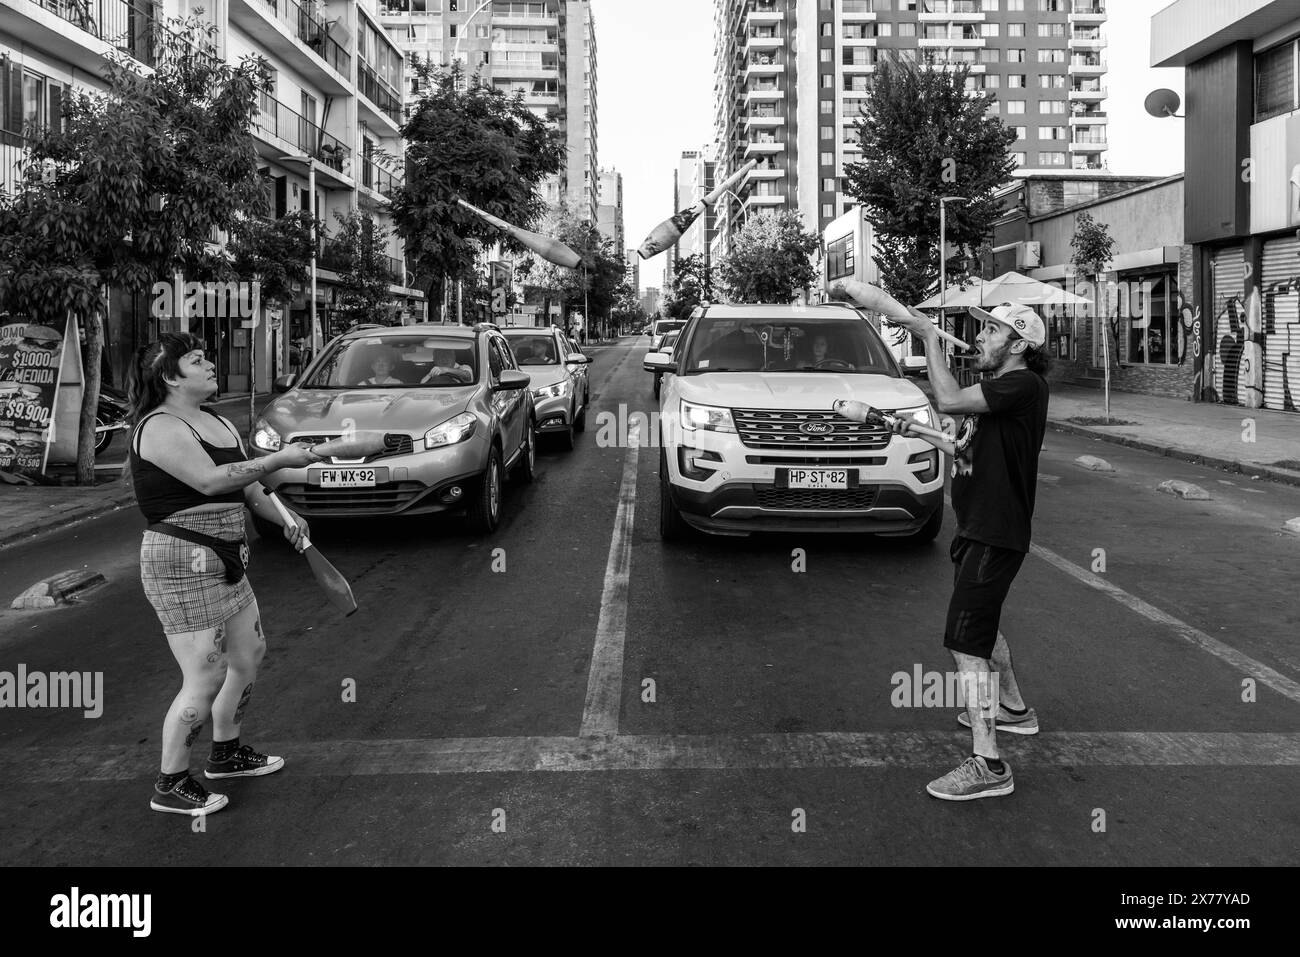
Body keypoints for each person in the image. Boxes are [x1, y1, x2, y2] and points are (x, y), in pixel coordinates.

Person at [837, 302, 1050, 801]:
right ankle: (1014, 710)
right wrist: (912, 430)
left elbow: (950, 400)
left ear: (1018, 345)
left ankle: (988, 763)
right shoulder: (1001, 396)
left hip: (995, 534)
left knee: (965, 642)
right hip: (978, 529)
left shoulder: (1021, 385)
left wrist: (926, 336)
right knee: (983, 626)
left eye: (992, 331)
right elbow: (968, 448)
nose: (980, 338)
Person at [127, 332, 320, 816]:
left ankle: (226, 754)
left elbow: (248, 484)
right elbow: (212, 481)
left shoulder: (214, 420)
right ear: (170, 376)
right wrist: (279, 459)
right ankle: (169, 782)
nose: (210, 364)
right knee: (204, 673)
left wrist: (287, 518)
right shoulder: (160, 427)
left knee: (249, 653)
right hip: (181, 561)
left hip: (227, 556)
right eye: (197, 360)